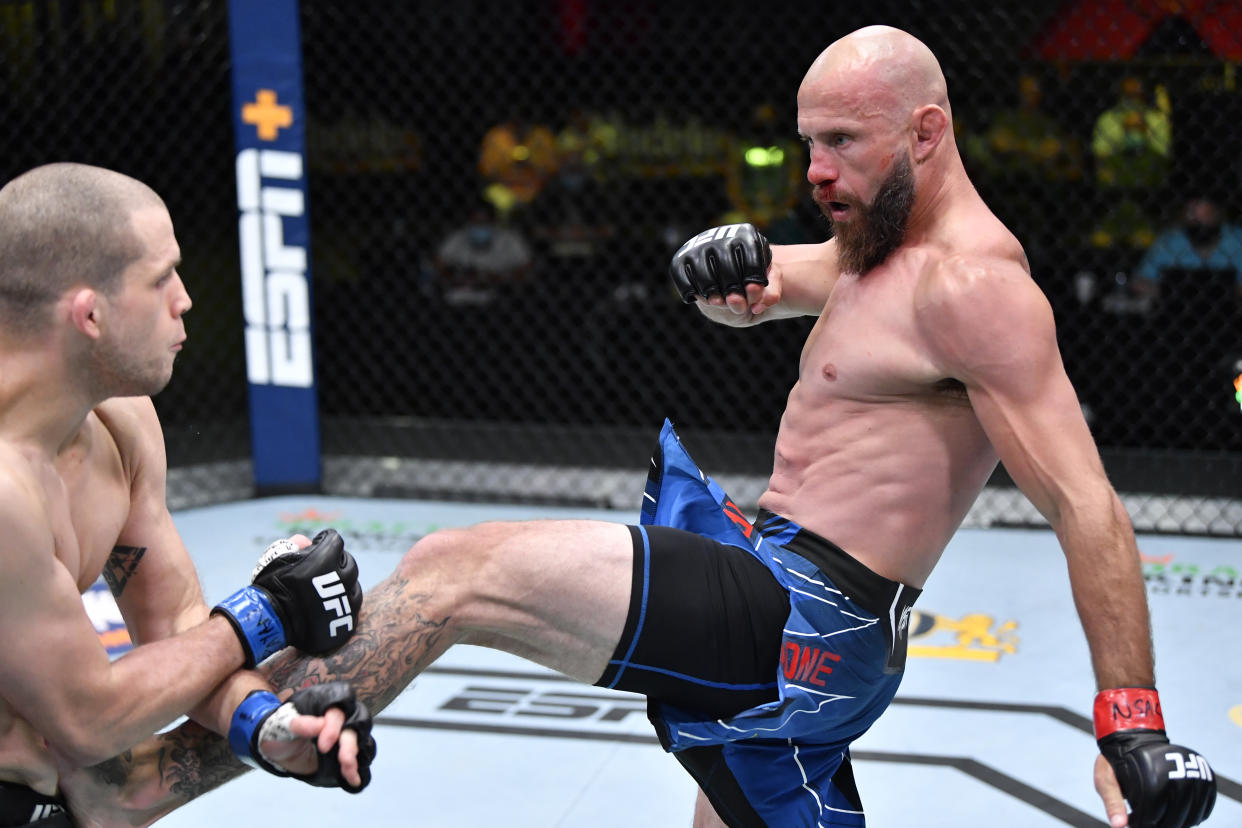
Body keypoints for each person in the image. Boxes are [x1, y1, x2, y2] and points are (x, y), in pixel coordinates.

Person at [60, 27, 1216, 828]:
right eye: (806, 143)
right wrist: (733, 267)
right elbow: (778, 284)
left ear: (926, 132)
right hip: (771, 587)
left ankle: (150, 785)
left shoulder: (977, 288)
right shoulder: (880, 249)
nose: (814, 171)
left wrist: (1130, 721)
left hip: (806, 620)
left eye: (841, 147)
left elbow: (1086, 505)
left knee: (453, 570)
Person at [0, 163, 377, 827]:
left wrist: (268, 725)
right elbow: (92, 717)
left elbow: (176, 626)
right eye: (160, 277)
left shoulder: (121, 421)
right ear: (90, 313)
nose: (185, 299)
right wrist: (265, 612)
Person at [1134, 194, 1242, 305]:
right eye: (1192, 215)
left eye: (1206, 215)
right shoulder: (1169, 240)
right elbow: (1140, 281)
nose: (1199, 222)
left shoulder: (1238, 239)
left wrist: (1229, 292)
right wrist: (1173, 292)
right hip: (1174, 311)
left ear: (1217, 213)